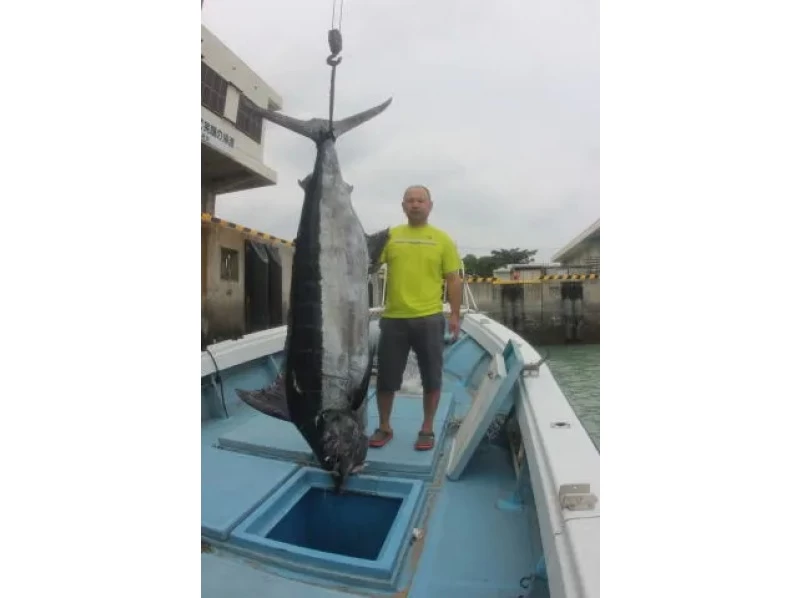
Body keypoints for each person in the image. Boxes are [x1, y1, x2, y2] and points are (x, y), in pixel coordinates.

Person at [369, 185, 462, 451]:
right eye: (410, 200)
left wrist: (454, 314)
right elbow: (372, 264)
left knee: (431, 378)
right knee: (386, 378)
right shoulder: (390, 237)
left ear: (430, 205)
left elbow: (453, 279)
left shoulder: (442, 239)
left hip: (430, 318)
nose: (415, 204)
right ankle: (384, 425)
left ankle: (427, 427)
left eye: (420, 200)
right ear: (403, 206)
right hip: (393, 319)